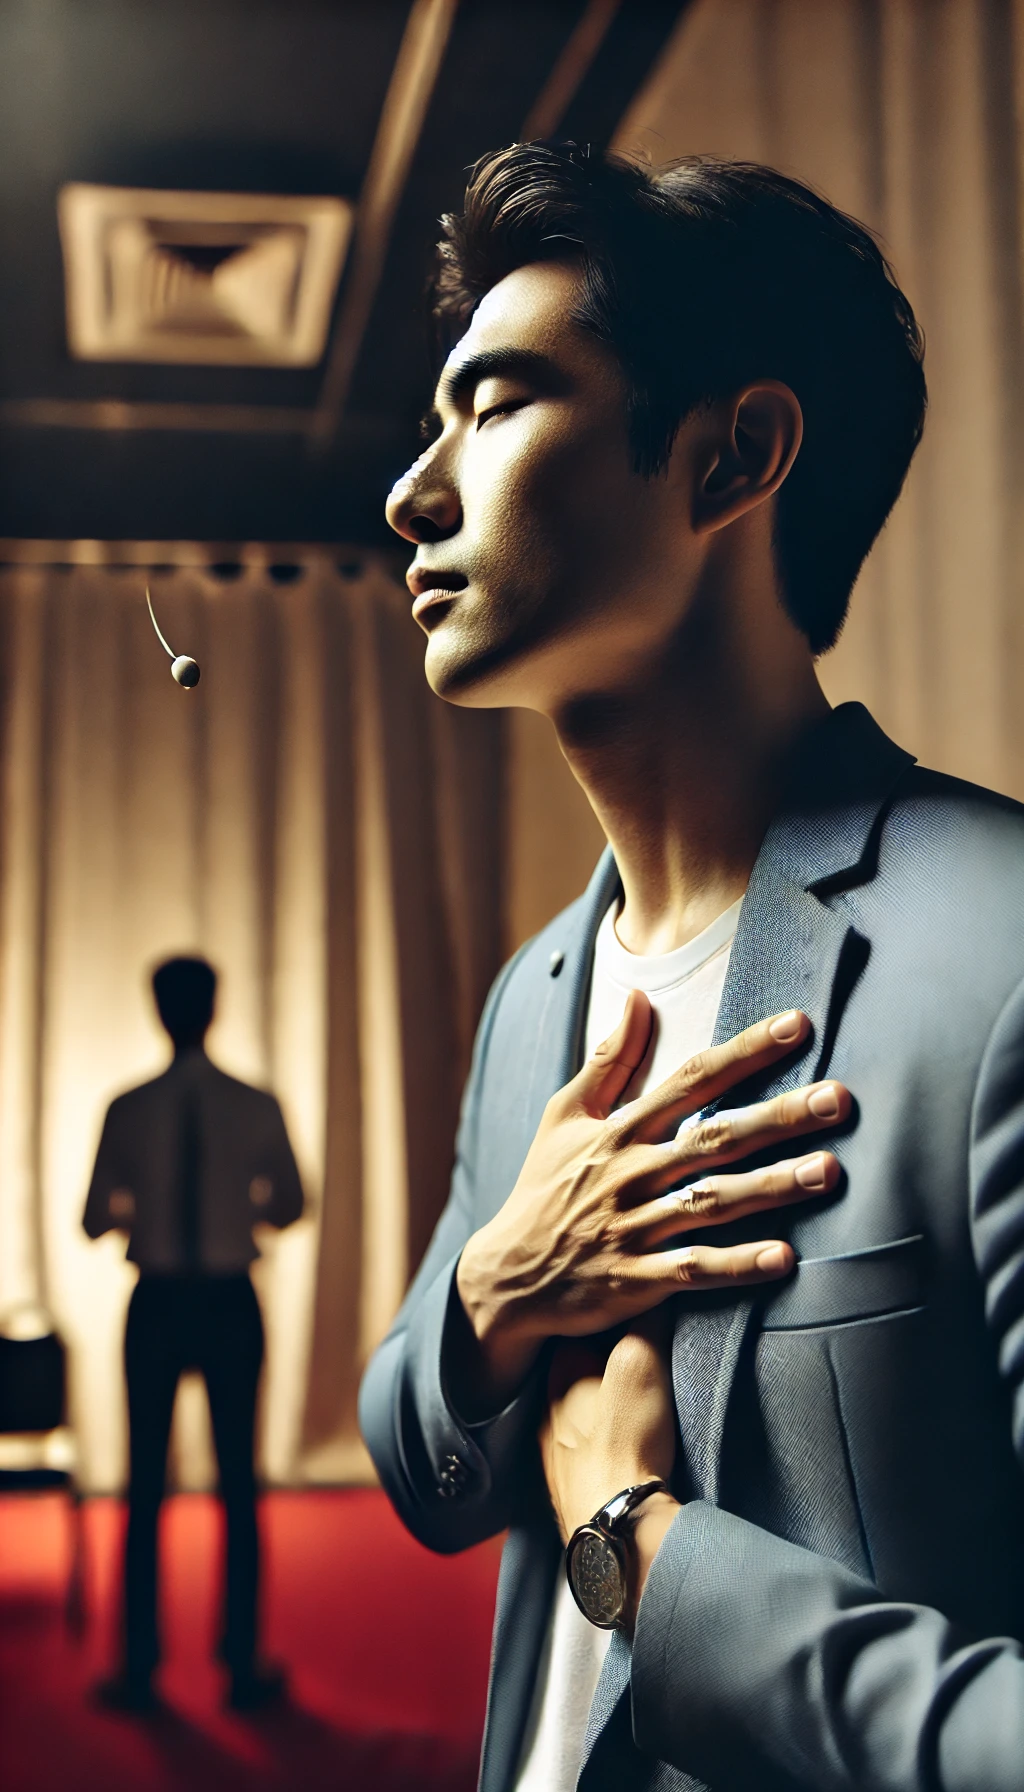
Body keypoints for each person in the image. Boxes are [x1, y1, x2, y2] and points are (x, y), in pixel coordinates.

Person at [359, 142, 1024, 1791]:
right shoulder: (535, 994)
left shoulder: (998, 957)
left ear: (732, 455)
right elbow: (421, 1464)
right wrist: (488, 1300)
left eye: (497, 404)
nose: (408, 491)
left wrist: (640, 1559)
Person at [84, 955, 304, 1711]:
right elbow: (291, 1204)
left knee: (146, 1485)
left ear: (158, 1009)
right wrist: (239, 1211)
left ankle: (138, 1666)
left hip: (156, 1302)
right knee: (238, 1484)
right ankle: (241, 1666)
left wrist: (137, 1215)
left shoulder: (125, 1107)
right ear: (213, 1009)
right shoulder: (255, 1103)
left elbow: (91, 1219)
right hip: (228, 1300)